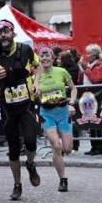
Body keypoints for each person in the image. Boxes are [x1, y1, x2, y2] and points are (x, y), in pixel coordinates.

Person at [0, 20, 40, 201]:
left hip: (26, 106)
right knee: (13, 149)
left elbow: (36, 67)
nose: (3, 35)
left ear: (13, 33)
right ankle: (17, 184)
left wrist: (36, 82)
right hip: (7, 109)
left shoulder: (25, 50)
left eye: (6, 31)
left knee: (30, 140)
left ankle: (30, 164)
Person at [34, 47, 77, 192]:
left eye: (47, 57)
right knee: (56, 145)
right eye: (42, 58)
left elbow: (73, 88)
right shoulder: (37, 74)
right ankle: (63, 179)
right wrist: (36, 91)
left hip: (63, 112)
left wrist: (71, 103)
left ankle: (60, 153)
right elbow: (34, 91)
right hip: (47, 114)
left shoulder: (61, 71)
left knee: (68, 148)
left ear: (53, 59)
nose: (45, 60)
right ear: (39, 60)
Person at [79, 44, 102, 155]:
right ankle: (93, 146)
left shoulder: (100, 64)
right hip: (87, 96)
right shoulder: (89, 64)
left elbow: (96, 79)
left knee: (97, 122)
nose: (87, 55)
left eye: (89, 53)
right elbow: (83, 78)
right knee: (90, 121)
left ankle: (100, 147)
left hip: (97, 96)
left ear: (95, 54)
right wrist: (81, 69)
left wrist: (86, 69)